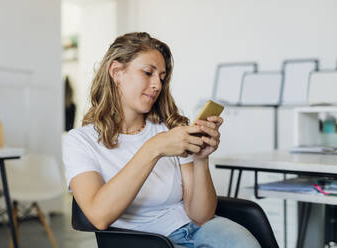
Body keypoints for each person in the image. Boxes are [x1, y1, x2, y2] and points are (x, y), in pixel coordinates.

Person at [63, 32, 260, 248]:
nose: (157, 84)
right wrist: (154, 148)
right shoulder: (80, 141)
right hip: (146, 242)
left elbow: (200, 217)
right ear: (116, 72)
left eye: (162, 77)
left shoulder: (170, 129)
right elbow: (99, 216)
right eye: (148, 73)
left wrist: (201, 160)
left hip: (195, 229)